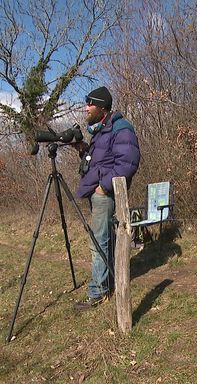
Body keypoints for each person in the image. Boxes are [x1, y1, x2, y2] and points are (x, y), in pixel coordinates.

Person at [73, 86, 140, 311]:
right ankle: (107, 284)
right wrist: (83, 149)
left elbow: (127, 163)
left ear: (102, 107)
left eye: (90, 104)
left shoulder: (121, 128)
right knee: (105, 240)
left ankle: (98, 292)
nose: (86, 108)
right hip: (97, 191)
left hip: (105, 194)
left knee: (98, 241)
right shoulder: (101, 130)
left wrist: (103, 186)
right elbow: (102, 161)